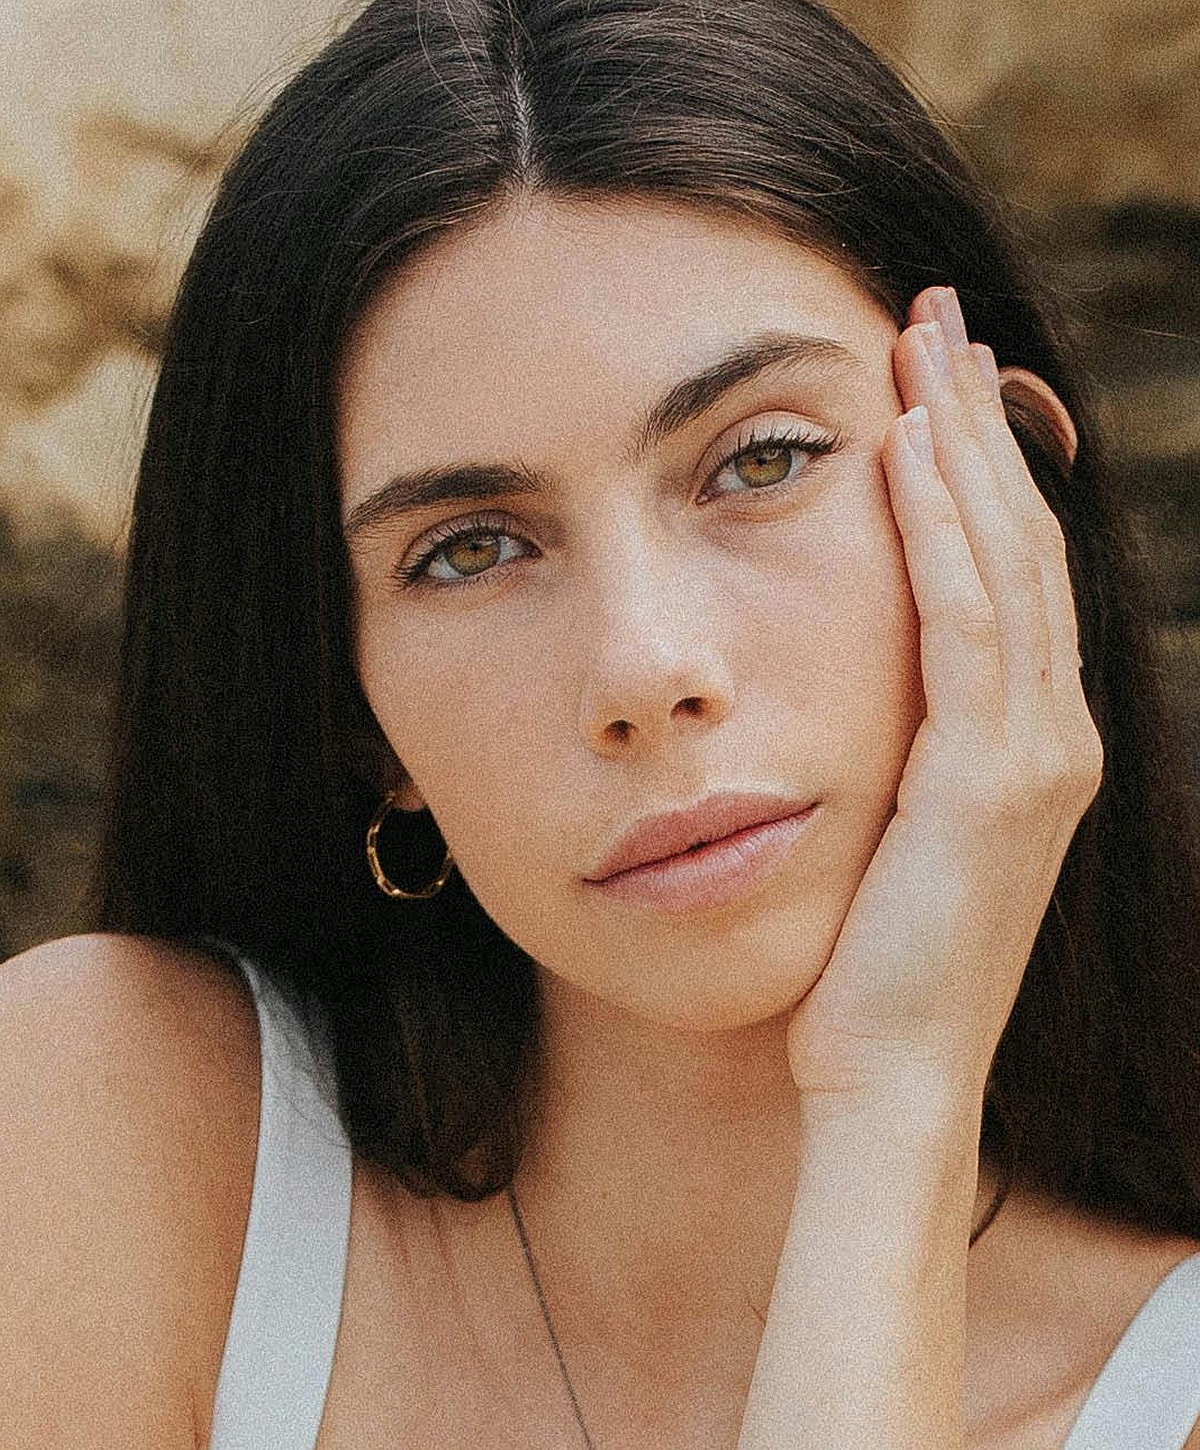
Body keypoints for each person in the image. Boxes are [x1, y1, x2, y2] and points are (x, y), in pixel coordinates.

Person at [3, 0, 1199, 1444]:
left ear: (1003, 495)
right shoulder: (111, 1137)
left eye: (761, 457)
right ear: (357, 719)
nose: (646, 667)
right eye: (467, 547)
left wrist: (896, 1104)